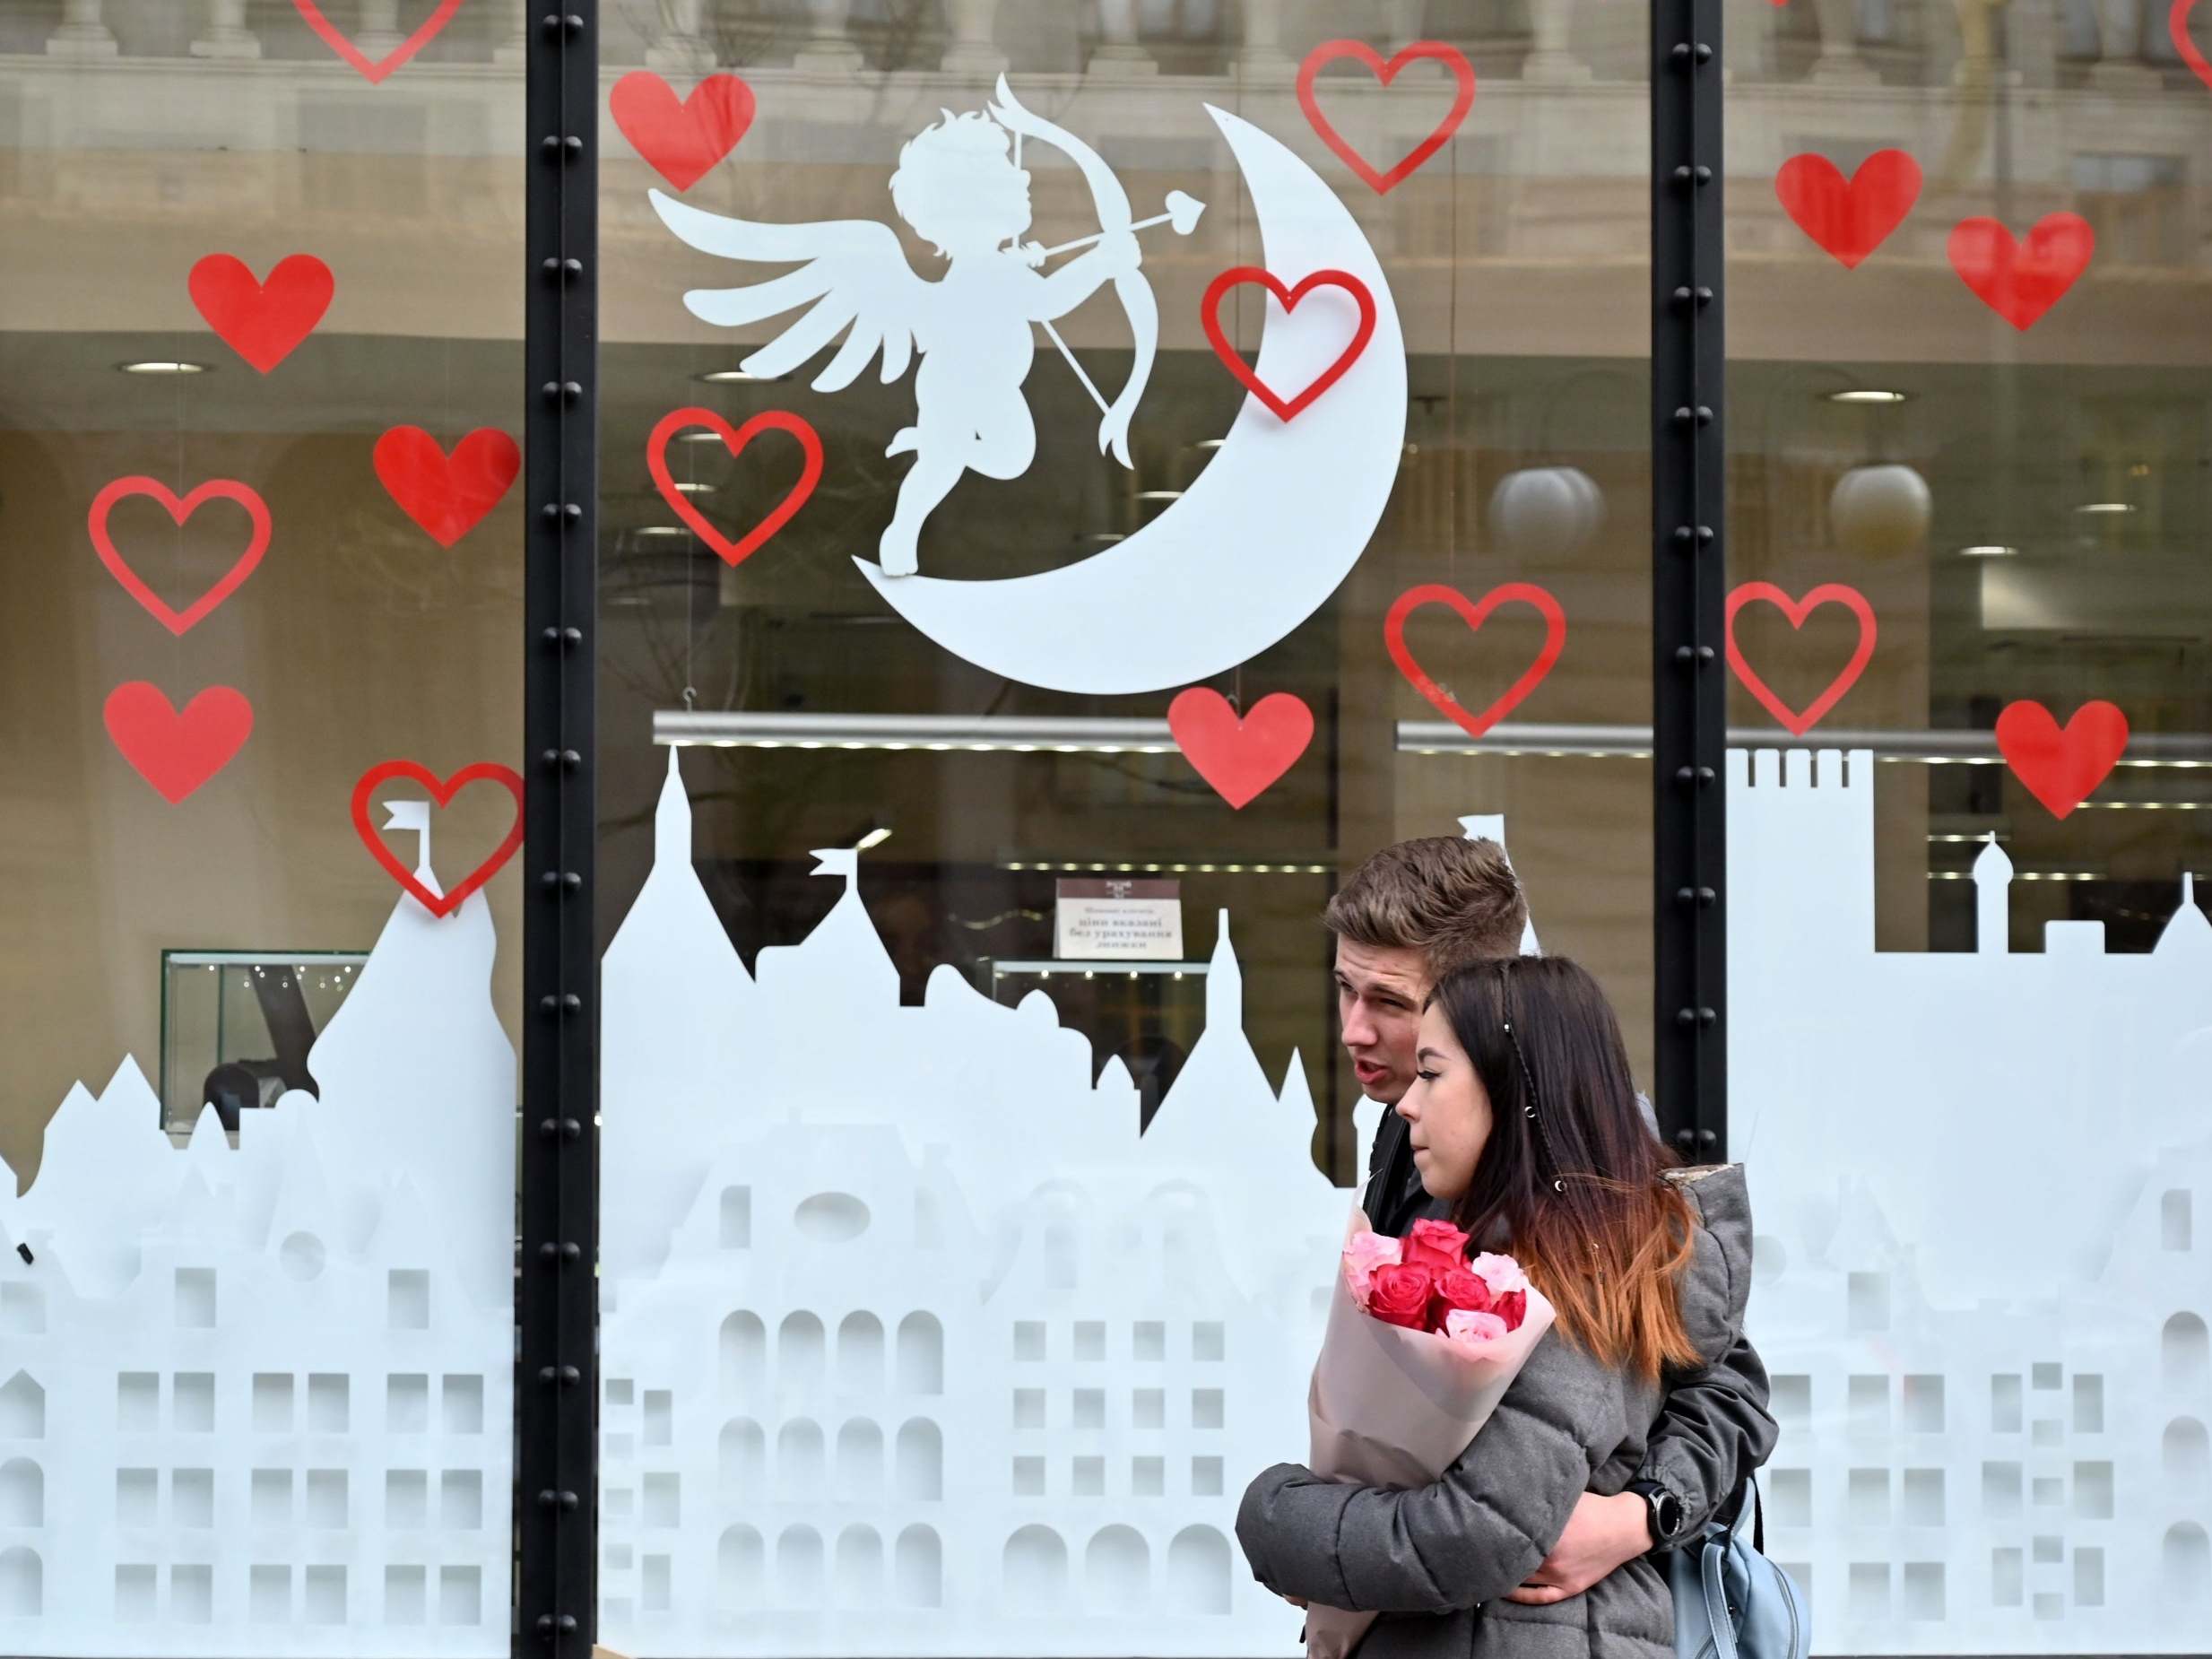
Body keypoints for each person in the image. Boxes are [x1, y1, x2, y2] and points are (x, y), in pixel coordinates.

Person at [1238, 957, 1773, 1657]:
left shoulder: (1573, 1276)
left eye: (1431, 1073)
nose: (1407, 1102)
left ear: (1516, 1090)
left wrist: (1275, 1516)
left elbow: (1475, 1534)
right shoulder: (1554, 1245)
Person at [1324, 838, 1773, 1603]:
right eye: (1344, 989)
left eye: (1388, 1003)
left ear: (1479, 999)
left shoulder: (1577, 1137)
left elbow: (1723, 1377)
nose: (1352, 1030)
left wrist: (1639, 1516)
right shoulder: (1405, 1122)